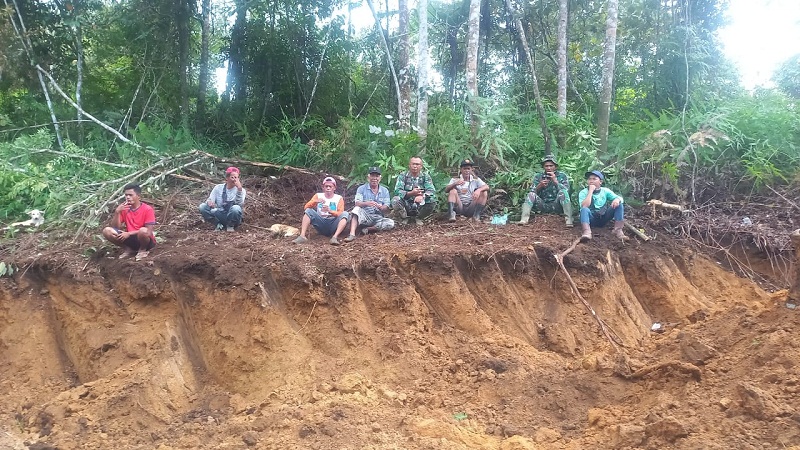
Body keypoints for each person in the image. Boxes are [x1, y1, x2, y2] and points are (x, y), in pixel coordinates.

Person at [102, 183, 157, 260]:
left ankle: (142, 250)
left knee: (143, 231)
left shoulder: (147, 209)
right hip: (131, 239)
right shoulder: (124, 208)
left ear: (138, 196)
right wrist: (117, 212)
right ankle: (128, 250)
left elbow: (149, 231)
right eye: (126, 195)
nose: (128, 197)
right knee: (107, 231)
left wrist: (129, 233)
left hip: (145, 240)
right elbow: (116, 227)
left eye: (131, 195)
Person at [292, 177, 351, 245]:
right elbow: (306, 207)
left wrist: (330, 211)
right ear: (323, 187)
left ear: (334, 188)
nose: (328, 188)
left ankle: (335, 237)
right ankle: (302, 236)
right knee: (308, 211)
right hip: (321, 222)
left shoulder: (339, 198)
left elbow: (340, 213)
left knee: (345, 214)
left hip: (333, 222)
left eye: (330, 186)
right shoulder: (318, 195)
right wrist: (315, 201)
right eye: (326, 186)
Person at [343, 167, 395, 242]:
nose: (374, 178)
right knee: (356, 209)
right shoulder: (361, 189)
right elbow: (357, 203)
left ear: (380, 178)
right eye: (372, 176)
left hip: (378, 217)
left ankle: (369, 229)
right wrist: (366, 203)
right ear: (368, 177)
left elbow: (386, 207)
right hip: (365, 216)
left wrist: (381, 207)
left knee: (391, 223)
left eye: (376, 176)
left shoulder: (385, 190)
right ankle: (352, 234)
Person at [519, 154, 573, 227]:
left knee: (563, 192)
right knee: (531, 194)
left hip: (556, 204)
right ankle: (524, 219)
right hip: (542, 204)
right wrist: (539, 186)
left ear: (555, 166)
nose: (549, 168)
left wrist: (555, 181)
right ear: (543, 167)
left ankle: (569, 220)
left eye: (551, 166)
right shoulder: (538, 176)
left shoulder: (562, 176)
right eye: (546, 166)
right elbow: (532, 192)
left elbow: (566, 191)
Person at [578, 170, 628, 242]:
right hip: (591, 219)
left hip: (603, 217)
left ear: (600, 182)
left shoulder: (605, 191)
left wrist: (617, 200)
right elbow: (584, 206)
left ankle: (618, 230)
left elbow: (620, 198)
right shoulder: (583, 192)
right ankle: (586, 232)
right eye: (589, 179)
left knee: (619, 204)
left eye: (594, 179)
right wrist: (590, 191)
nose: (591, 181)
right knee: (584, 209)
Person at [199, 166, 246, 231]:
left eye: (236, 177)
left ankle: (230, 226)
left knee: (236, 208)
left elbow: (239, 205)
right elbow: (210, 200)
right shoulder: (218, 188)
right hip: (220, 214)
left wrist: (239, 190)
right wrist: (210, 202)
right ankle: (218, 225)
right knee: (202, 207)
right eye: (232, 177)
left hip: (233, 217)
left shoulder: (241, 190)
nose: (234, 180)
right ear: (227, 178)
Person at [392, 156, 436, 225]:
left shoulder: (425, 176)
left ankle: (419, 218)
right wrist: (411, 193)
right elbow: (397, 191)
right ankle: (404, 218)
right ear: (409, 165)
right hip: (406, 203)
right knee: (395, 199)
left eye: (417, 164)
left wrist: (422, 196)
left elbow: (431, 190)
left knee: (432, 200)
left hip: (420, 204)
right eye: (413, 164)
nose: (415, 166)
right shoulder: (403, 175)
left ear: (421, 166)